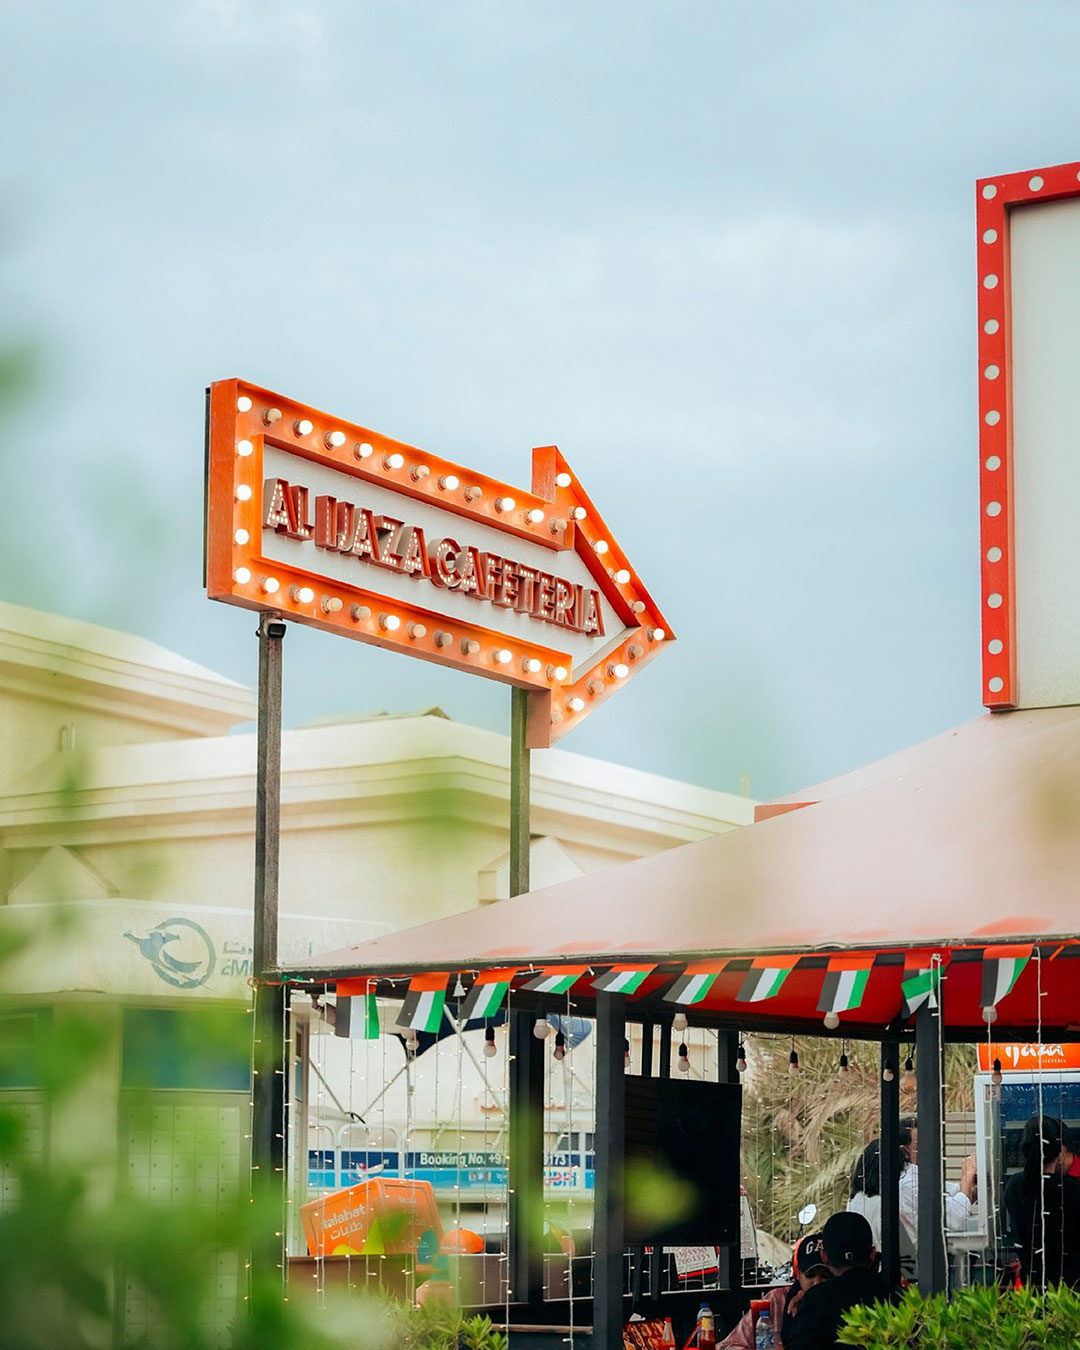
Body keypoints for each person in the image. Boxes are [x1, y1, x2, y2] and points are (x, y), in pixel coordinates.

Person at [782, 1213, 890, 1350]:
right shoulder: (896, 1295)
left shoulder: (817, 1300)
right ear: (872, 1254)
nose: (817, 1281)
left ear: (824, 1257)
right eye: (810, 1275)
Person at [1002, 1115, 1080, 1287]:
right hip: (1071, 1291)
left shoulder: (1015, 1186)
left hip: (1032, 1287)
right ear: (1060, 1152)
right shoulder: (1073, 1189)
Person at [719, 1232, 830, 1349]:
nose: (817, 1283)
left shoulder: (842, 1304)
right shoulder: (776, 1299)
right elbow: (728, 1345)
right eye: (810, 1275)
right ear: (798, 1275)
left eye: (825, 1276)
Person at [896, 1116, 977, 1250]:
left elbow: (952, 1191)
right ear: (905, 1151)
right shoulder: (909, 1182)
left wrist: (971, 1187)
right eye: (921, 1145)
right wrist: (967, 1175)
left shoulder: (918, 1176)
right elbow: (955, 1217)